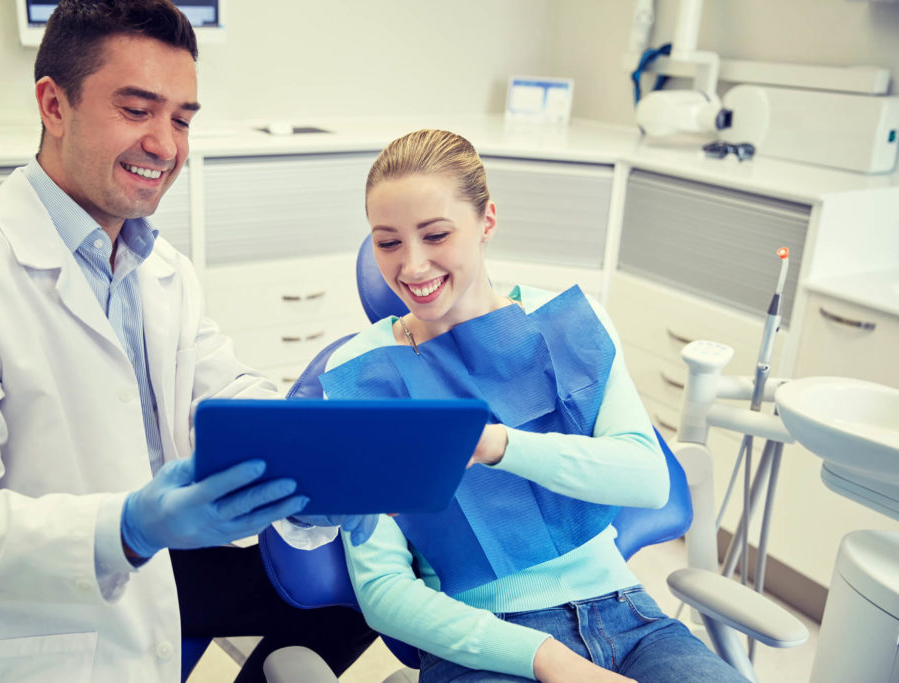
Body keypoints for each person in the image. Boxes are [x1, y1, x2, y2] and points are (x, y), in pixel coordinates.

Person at [0, 2, 375, 681]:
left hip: (149, 582)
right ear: (53, 104)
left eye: (182, 118)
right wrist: (128, 526)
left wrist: (321, 454)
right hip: (17, 633)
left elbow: (224, 391)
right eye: (137, 111)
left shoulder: (161, 270)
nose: (166, 146)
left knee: (350, 595)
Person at [318, 129, 749, 682]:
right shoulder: (362, 374)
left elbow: (647, 480)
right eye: (388, 242)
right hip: (482, 643)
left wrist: (494, 444)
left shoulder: (565, 322)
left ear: (487, 222)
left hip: (630, 619)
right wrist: (548, 659)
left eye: (436, 235)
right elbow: (383, 592)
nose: (413, 265)